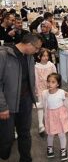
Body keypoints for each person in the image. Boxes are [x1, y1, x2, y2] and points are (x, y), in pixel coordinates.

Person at [0, 33, 43, 161]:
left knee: (25, 133)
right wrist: (2, 107)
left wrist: (31, 97)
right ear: (28, 44)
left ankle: (25, 158)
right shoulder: (4, 55)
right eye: (36, 48)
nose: (37, 51)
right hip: (8, 103)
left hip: (25, 101)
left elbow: (30, 78)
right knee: (7, 136)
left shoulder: (29, 57)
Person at [42, 73, 68, 161]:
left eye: (53, 82)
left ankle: (63, 150)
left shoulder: (61, 92)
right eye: (48, 82)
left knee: (62, 134)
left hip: (60, 116)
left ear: (58, 84)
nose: (49, 84)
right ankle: (49, 148)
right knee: (50, 133)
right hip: (50, 116)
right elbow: (43, 104)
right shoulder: (45, 93)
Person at [35, 48, 57, 137]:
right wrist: (36, 90)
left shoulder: (51, 65)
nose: (46, 57)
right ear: (39, 57)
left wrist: (55, 87)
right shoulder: (36, 67)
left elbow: (55, 76)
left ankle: (51, 125)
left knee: (50, 107)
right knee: (41, 106)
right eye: (43, 56)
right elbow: (36, 79)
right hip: (41, 89)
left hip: (50, 89)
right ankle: (41, 125)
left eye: (47, 55)